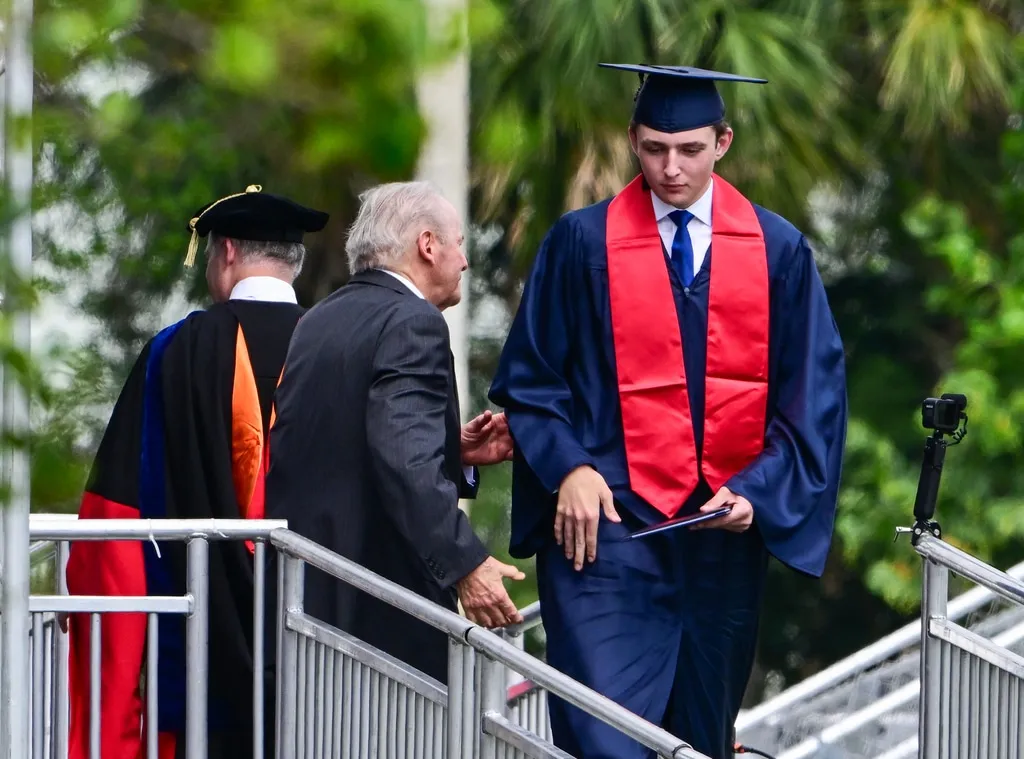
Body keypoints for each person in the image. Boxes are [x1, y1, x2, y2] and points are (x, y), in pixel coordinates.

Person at [488, 63, 849, 759]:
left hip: (720, 539)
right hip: (608, 538)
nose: (671, 168)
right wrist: (569, 469)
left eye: (689, 149)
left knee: (700, 742)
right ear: (633, 140)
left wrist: (758, 491)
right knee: (604, 741)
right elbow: (532, 381)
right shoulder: (581, 243)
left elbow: (813, 397)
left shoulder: (776, 250)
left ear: (723, 143)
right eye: (654, 149)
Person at [63, 185, 329, 759]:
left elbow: (116, 514)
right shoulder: (337, 351)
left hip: (197, 644)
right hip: (320, 648)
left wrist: (87, 591)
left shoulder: (174, 352)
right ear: (295, 260)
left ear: (226, 250)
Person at [265, 180, 525, 686]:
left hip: (310, 602)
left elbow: (346, 442)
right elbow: (405, 462)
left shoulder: (317, 319)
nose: (464, 261)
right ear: (427, 245)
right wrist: (465, 563)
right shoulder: (414, 321)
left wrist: (452, 449)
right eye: (458, 244)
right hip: (384, 616)